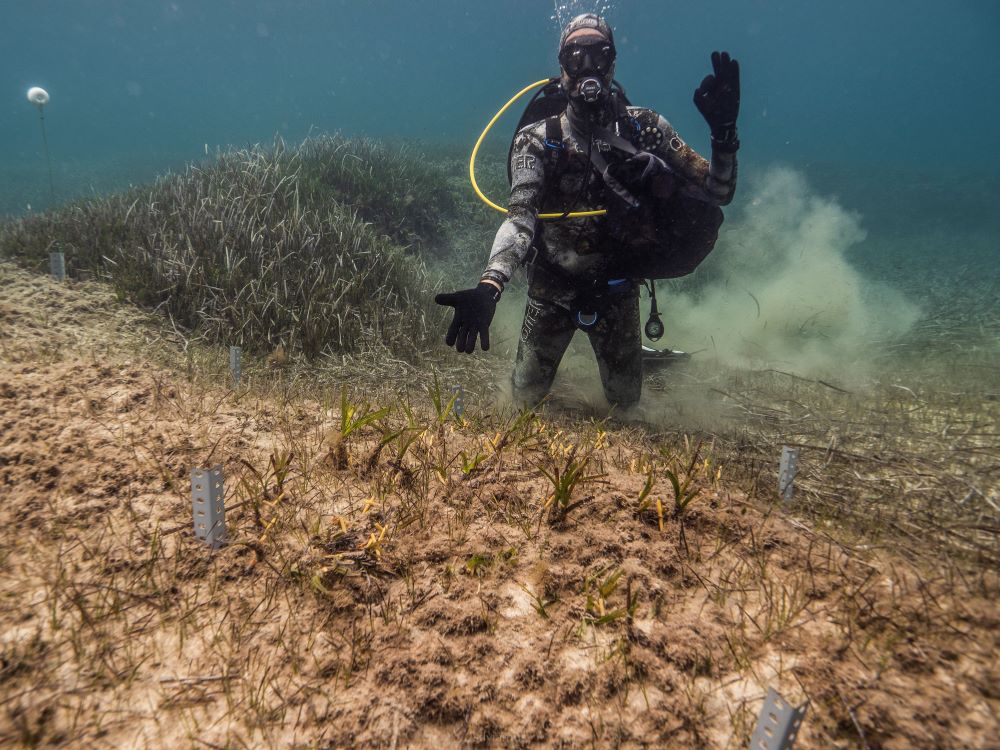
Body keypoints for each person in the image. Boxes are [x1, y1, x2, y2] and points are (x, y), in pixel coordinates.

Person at [436, 13, 739, 410]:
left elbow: (719, 192)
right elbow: (520, 217)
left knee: (625, 404)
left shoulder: (647, 128)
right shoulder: (537, 142)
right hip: (552, 291)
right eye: (575, 58)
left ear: (613, 64)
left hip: (618, 290)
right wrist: (488, 287)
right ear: (561, 69)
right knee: (522, 398)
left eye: (599, 55)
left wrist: (724, 136)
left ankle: (641, 355)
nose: (588, 69)